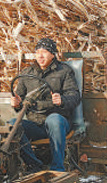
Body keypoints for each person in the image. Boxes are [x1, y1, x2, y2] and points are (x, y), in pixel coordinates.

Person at [10, 38, 80, 172]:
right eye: (37, 52)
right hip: (36, 124)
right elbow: (19, 99)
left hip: (59, 122)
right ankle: (34, 165)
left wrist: (62, 100)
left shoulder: (64, 71)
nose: (40, 56)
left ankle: (57, 168)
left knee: (54, 120)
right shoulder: (27, 73)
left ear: (53, 54)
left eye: (45, 52)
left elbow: (75, 96)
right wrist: (16, 103)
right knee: (13, 125)